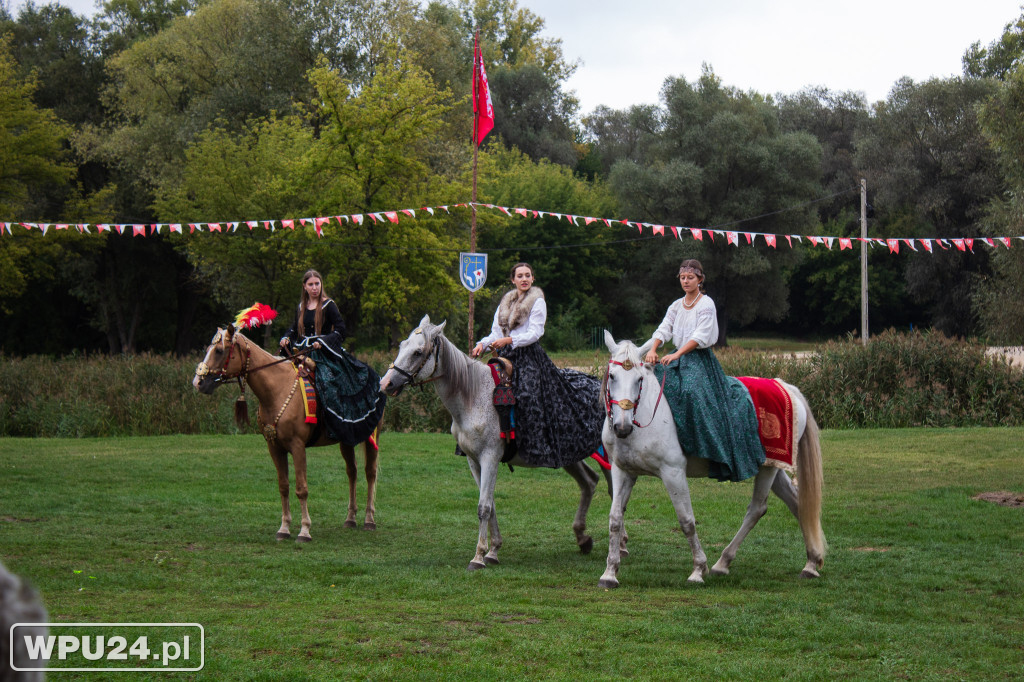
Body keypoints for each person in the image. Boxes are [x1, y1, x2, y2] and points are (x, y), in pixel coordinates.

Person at [470, 262, 604, 468]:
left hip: (529, 357)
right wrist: (482, 344)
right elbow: (496, 333)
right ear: (512, 280)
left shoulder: (537, 302)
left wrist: (509, 341)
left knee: (527, 395)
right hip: (505, 357)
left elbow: (535, 333)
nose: (524, 279)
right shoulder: (505, 304)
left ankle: (534, 445)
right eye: (520, 276)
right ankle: (487, 439)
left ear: (533, 279)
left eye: (527, 275)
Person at [643, 259, 765, 481]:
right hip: (676, 356)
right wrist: (653, 349)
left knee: (691, 392)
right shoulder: (676, 305)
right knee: (654, 382)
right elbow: (664, 328)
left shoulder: (706, 303)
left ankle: (705, 447)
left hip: (699, 359)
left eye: (690, 277)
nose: (686, 281)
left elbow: (699, 336)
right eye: (682, 277)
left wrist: (677, 354)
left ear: (700, 279)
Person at [279, 270, 385, 445]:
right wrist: (285, 338)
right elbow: (293, 329)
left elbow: (341, 330)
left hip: (324, 354)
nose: (314, 288)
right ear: (304, 287)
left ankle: (334, 426)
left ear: (321, 285)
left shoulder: (329, 305)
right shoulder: (300, 307)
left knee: (327, 382)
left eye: (317, 284)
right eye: (311, 284)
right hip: (302, 351)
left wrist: (323, 341)